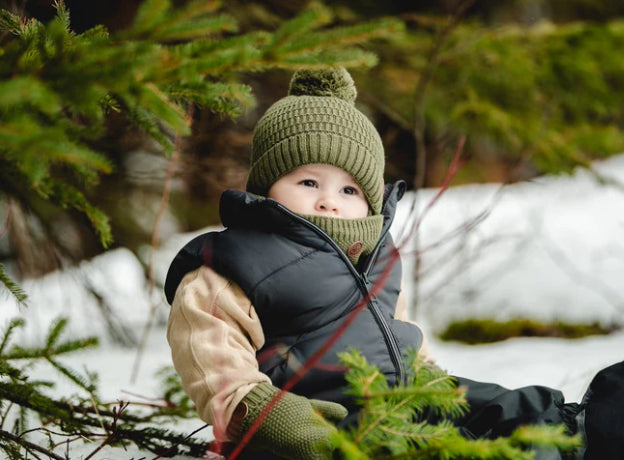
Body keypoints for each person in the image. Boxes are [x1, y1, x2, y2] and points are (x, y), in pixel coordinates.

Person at [164, 67, 623, 460]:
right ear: (267, 185)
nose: (328, 201)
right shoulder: (225, 267)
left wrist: (433, 385)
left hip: (400, 402)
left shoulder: (374, 256)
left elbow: (396, 336)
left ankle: (584, 432)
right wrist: (293, 428)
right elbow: (221, 377)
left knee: (506, 407)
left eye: (349, 190)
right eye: (308, 181)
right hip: (324, 430)